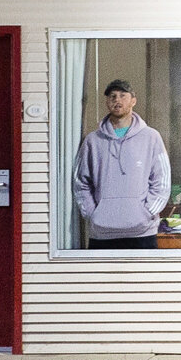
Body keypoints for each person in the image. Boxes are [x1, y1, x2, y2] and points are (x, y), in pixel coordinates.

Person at [72, 78, 171, 249]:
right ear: (107, 102)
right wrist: (92, 213)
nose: (117, 100)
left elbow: (162, 180)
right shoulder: (93, 141)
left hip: (142, 233)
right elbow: (81, 182)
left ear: (133, 101)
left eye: (123, 95)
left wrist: (147, 212)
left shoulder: (151, 137)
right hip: (102, 233)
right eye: (112, 96)